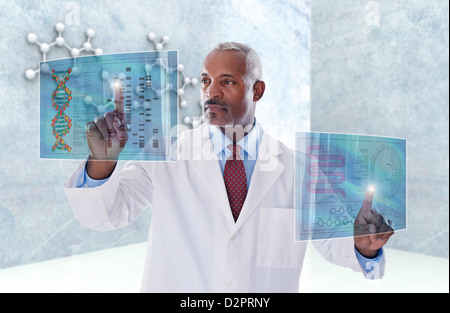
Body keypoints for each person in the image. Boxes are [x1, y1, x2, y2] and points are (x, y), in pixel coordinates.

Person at [63, 42, 394, 292]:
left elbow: (333, 240)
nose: (211, 92)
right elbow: (106, 215)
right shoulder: (168, 155)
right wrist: (101, 165)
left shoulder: (298, 168)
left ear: (257, 90)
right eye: (206, 80)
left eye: (228, 81)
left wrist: (361, 246)